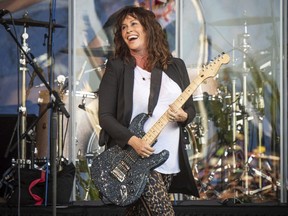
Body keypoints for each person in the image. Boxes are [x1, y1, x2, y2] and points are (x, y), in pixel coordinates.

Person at [97, 5, 199, 215]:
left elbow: (191, 108)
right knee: (163, 213)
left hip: (167, 157)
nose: (128, 30)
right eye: (124, 27)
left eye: (134, 24)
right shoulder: (117, 67)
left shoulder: (176, 66)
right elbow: (105, 117)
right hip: (135, 158)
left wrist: (184, 115)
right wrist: (133, 141)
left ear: (148, 29)